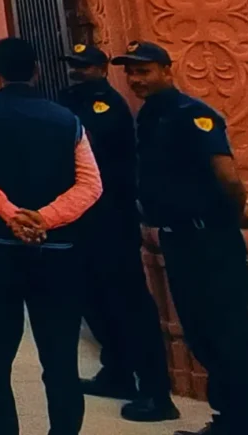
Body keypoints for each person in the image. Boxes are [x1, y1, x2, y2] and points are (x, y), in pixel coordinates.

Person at [114, 42, 248, 435]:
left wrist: (236, 210)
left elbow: (226, 175)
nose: (136, 79)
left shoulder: (192, 114)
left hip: (209, 240)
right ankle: (230, 420)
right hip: (179, 241)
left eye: (144, 71)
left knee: (230, 335)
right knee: (202, 334)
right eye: (131, 72)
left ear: (166, 70)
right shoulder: (151, 116)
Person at [0, 38, 104, 435]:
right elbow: (91, 186)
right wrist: (44, 218)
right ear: (36, 70)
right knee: (59, 357)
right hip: (56, 251)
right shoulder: (66, 120)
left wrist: (8, 212)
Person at [58, 44, 179, 423]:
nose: (79, 73)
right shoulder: (77, 100)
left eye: (85, 67)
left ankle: (156, 391)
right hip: (86, 219)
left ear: (99, 69)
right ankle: (117, 372)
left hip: (112, 219)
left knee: (129, 305)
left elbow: (83, 148)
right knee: (94, 299)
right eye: (74, 66)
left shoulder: (106, 106)